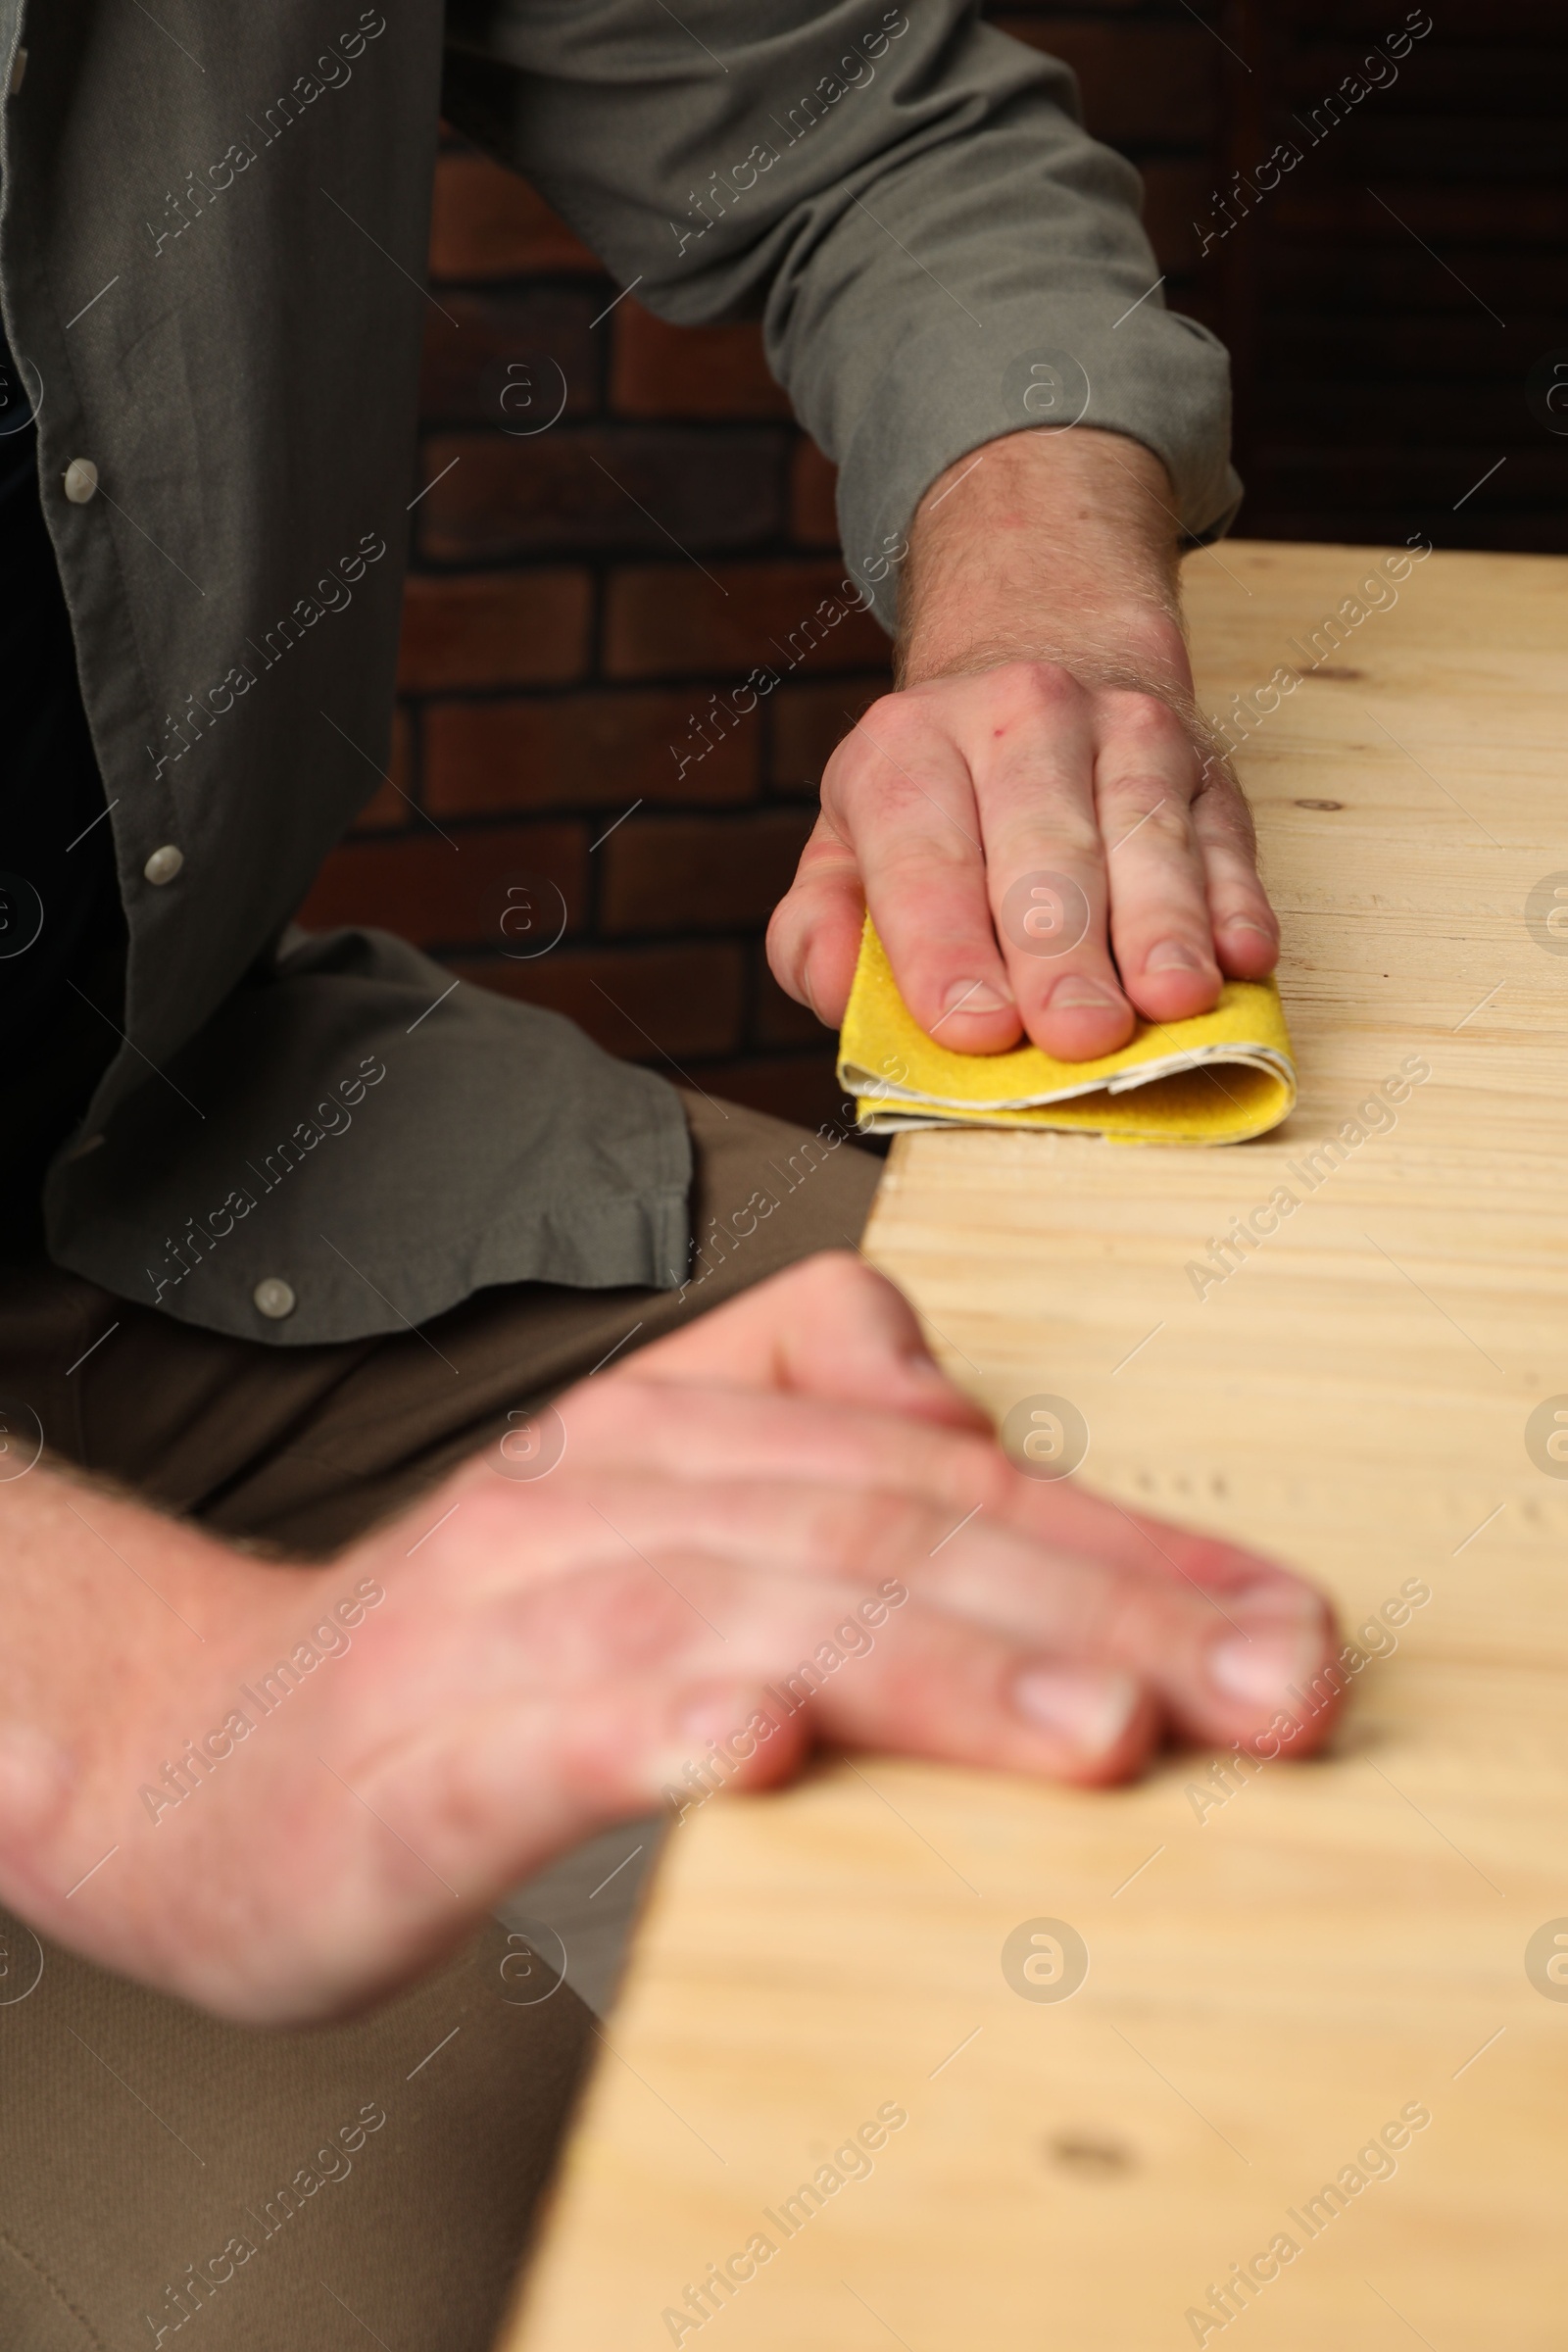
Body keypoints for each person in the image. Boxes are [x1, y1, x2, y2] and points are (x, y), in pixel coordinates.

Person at [0, 4, 1326, 2344]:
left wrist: (1038, 613)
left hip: (175, 1156)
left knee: (1273, 1476)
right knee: (425, 2243)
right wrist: (147, 1727)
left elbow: (878, 134)